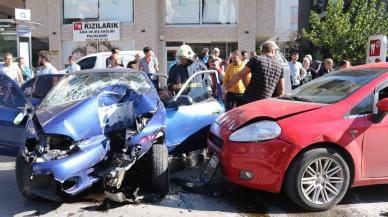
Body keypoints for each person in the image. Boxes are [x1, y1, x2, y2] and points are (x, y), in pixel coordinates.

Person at [222, 41, 285, 106]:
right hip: (265, 103)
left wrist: (226, 87)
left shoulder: (256, 59)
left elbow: (240, 75)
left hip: (248, 100)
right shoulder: (280, 66)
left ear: (261, 51)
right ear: (273, 51)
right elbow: (281, 90)